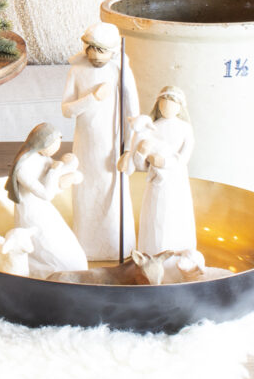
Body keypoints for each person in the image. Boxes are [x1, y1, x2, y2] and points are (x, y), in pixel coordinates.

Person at [61, 21, 139, 262]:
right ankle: (87, 247)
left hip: (112, 145)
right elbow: (67, 110)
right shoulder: (77, 70)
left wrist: (130, 149)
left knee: (112, 194)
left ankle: (117, 246)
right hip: (85, 146)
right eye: (91, 49)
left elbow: (133, 112)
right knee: (86, 193)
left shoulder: (119, 70)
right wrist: (92, 98)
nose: (95, 55)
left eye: (101, 50)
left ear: (113, 51)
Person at [120, 85, 196, 256]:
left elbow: (184, 157)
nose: (167, 106)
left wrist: (165, 162)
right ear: (158, 104)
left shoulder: (185, 128)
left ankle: (179, 252)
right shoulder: (152, 127)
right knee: (156, 215)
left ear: (180, 106)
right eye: (164, 102)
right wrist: (141, 153)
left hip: (176, 179)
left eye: (172, 102)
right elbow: (141, 165)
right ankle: (152, 253)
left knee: (176, 213)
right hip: (156, 181)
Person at [4, 122, 87, 276]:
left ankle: (71, 270)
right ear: (42, 142)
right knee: (47, 247)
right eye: (54, 145)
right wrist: (55, 171)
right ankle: (44, 271)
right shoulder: (23, 167)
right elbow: (46, 194)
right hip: (32, 214)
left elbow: (55, 176)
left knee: (69, 249)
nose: (57, 149)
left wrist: (71, 164)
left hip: (44, 210)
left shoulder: (43, 158)